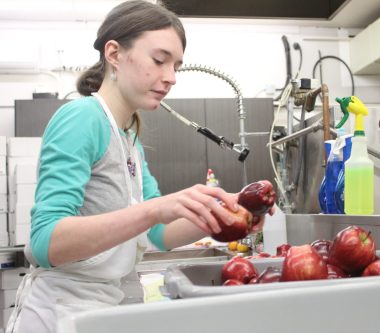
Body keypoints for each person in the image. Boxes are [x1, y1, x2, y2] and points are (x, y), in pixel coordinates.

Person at [7, 1, 266, 332]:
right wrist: (154, 209)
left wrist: (226, 215)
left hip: (101, 309)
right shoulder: (82, 118)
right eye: (159, 61)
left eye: (176, 67)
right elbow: (44, 244)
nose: (171, 78)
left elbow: (161, 235)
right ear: (114, 53)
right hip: (61, 314)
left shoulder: (128, 137)